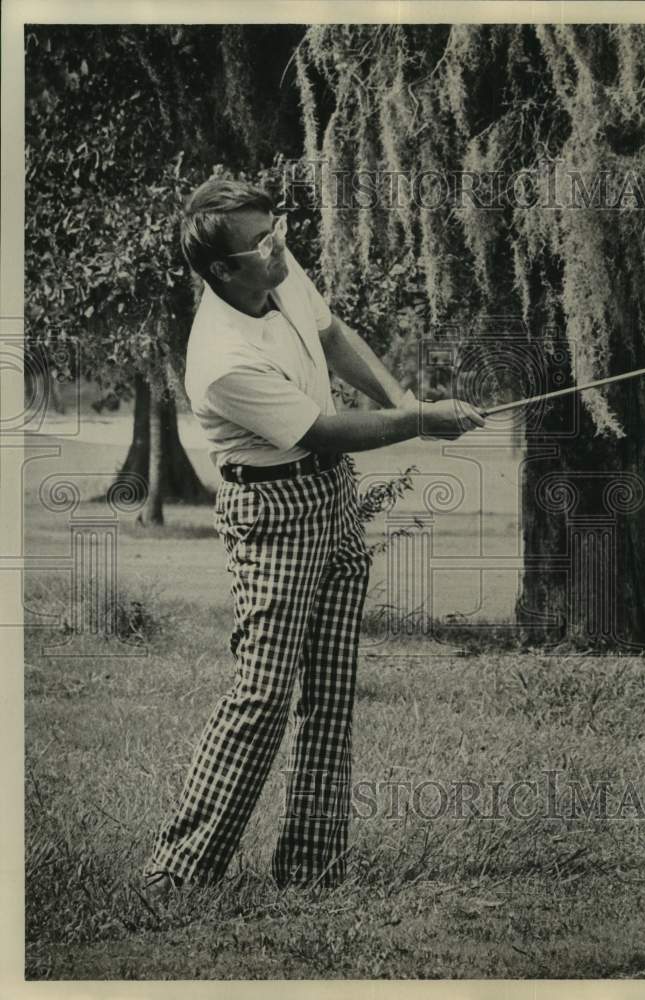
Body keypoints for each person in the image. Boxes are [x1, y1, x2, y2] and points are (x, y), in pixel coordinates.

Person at [143, 178, 484, 897]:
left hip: (331, 494)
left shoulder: (274, 269)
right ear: (223, 271)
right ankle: (178, 870)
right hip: (274, 512)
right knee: (262, 694)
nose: (281, 244)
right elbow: (319, 429)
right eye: (263, 240)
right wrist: (421, 422)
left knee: (330, 691)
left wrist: (404, 400)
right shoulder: (222, 357)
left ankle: (311, 870)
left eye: (278, 227)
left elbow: (331, 334)